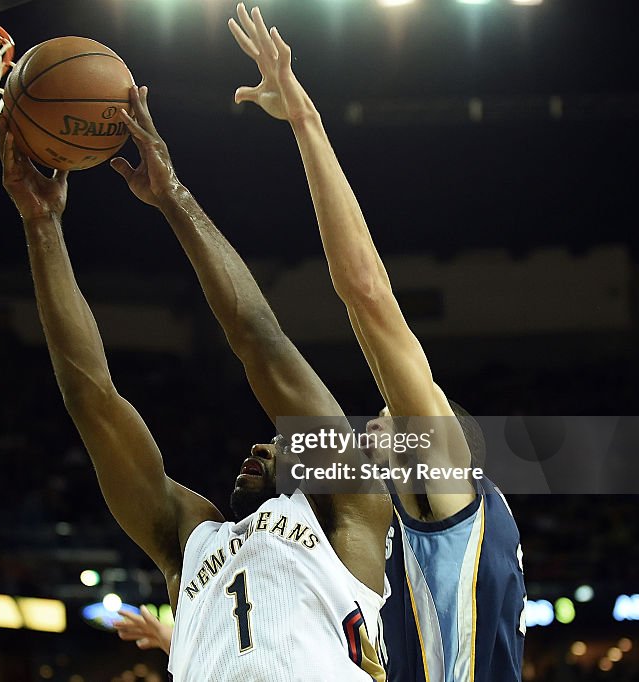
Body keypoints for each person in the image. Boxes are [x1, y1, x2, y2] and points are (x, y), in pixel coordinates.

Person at [0, 82, 390, 681]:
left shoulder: (348, 508)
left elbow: (259, 340)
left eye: (282, 441)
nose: (260, 445)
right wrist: (42, 224)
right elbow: (93, 401)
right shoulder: (189, 541)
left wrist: (173, 195)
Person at [227, 4, 527, 681]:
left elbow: (366, 292)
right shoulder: (438, 544)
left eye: (395, 419)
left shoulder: (446, 490)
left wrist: (307, 121)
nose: (378, 421)